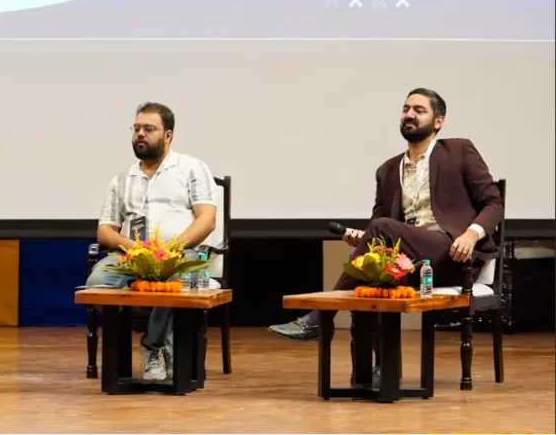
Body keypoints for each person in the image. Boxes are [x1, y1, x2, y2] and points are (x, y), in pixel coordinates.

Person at [269, 88, 504, 341]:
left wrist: (471, 234)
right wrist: (363, 238)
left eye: (419, 110)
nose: (409, 115)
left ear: (438, 122)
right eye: (405, 110)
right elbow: (379, 226)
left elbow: (494, 203)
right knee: (370, 272)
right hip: (408, 259)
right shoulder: (388, 170)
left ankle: (319, 319)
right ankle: (376, 372)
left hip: (453, 256)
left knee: (381, 233)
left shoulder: (459, 151)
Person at [86, 102, 218, 381]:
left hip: (178, 255)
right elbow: (105, 232)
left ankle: (154, 345)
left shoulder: (192, 168)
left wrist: (170, 250)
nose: (140, 134)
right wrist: (137, 249)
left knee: (171, 283)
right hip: (132, 256)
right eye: (136, 129)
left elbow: (206, 220)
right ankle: (125, 355)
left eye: (148, 128)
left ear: (168, 135)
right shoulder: (122, 179)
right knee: (96, 283)